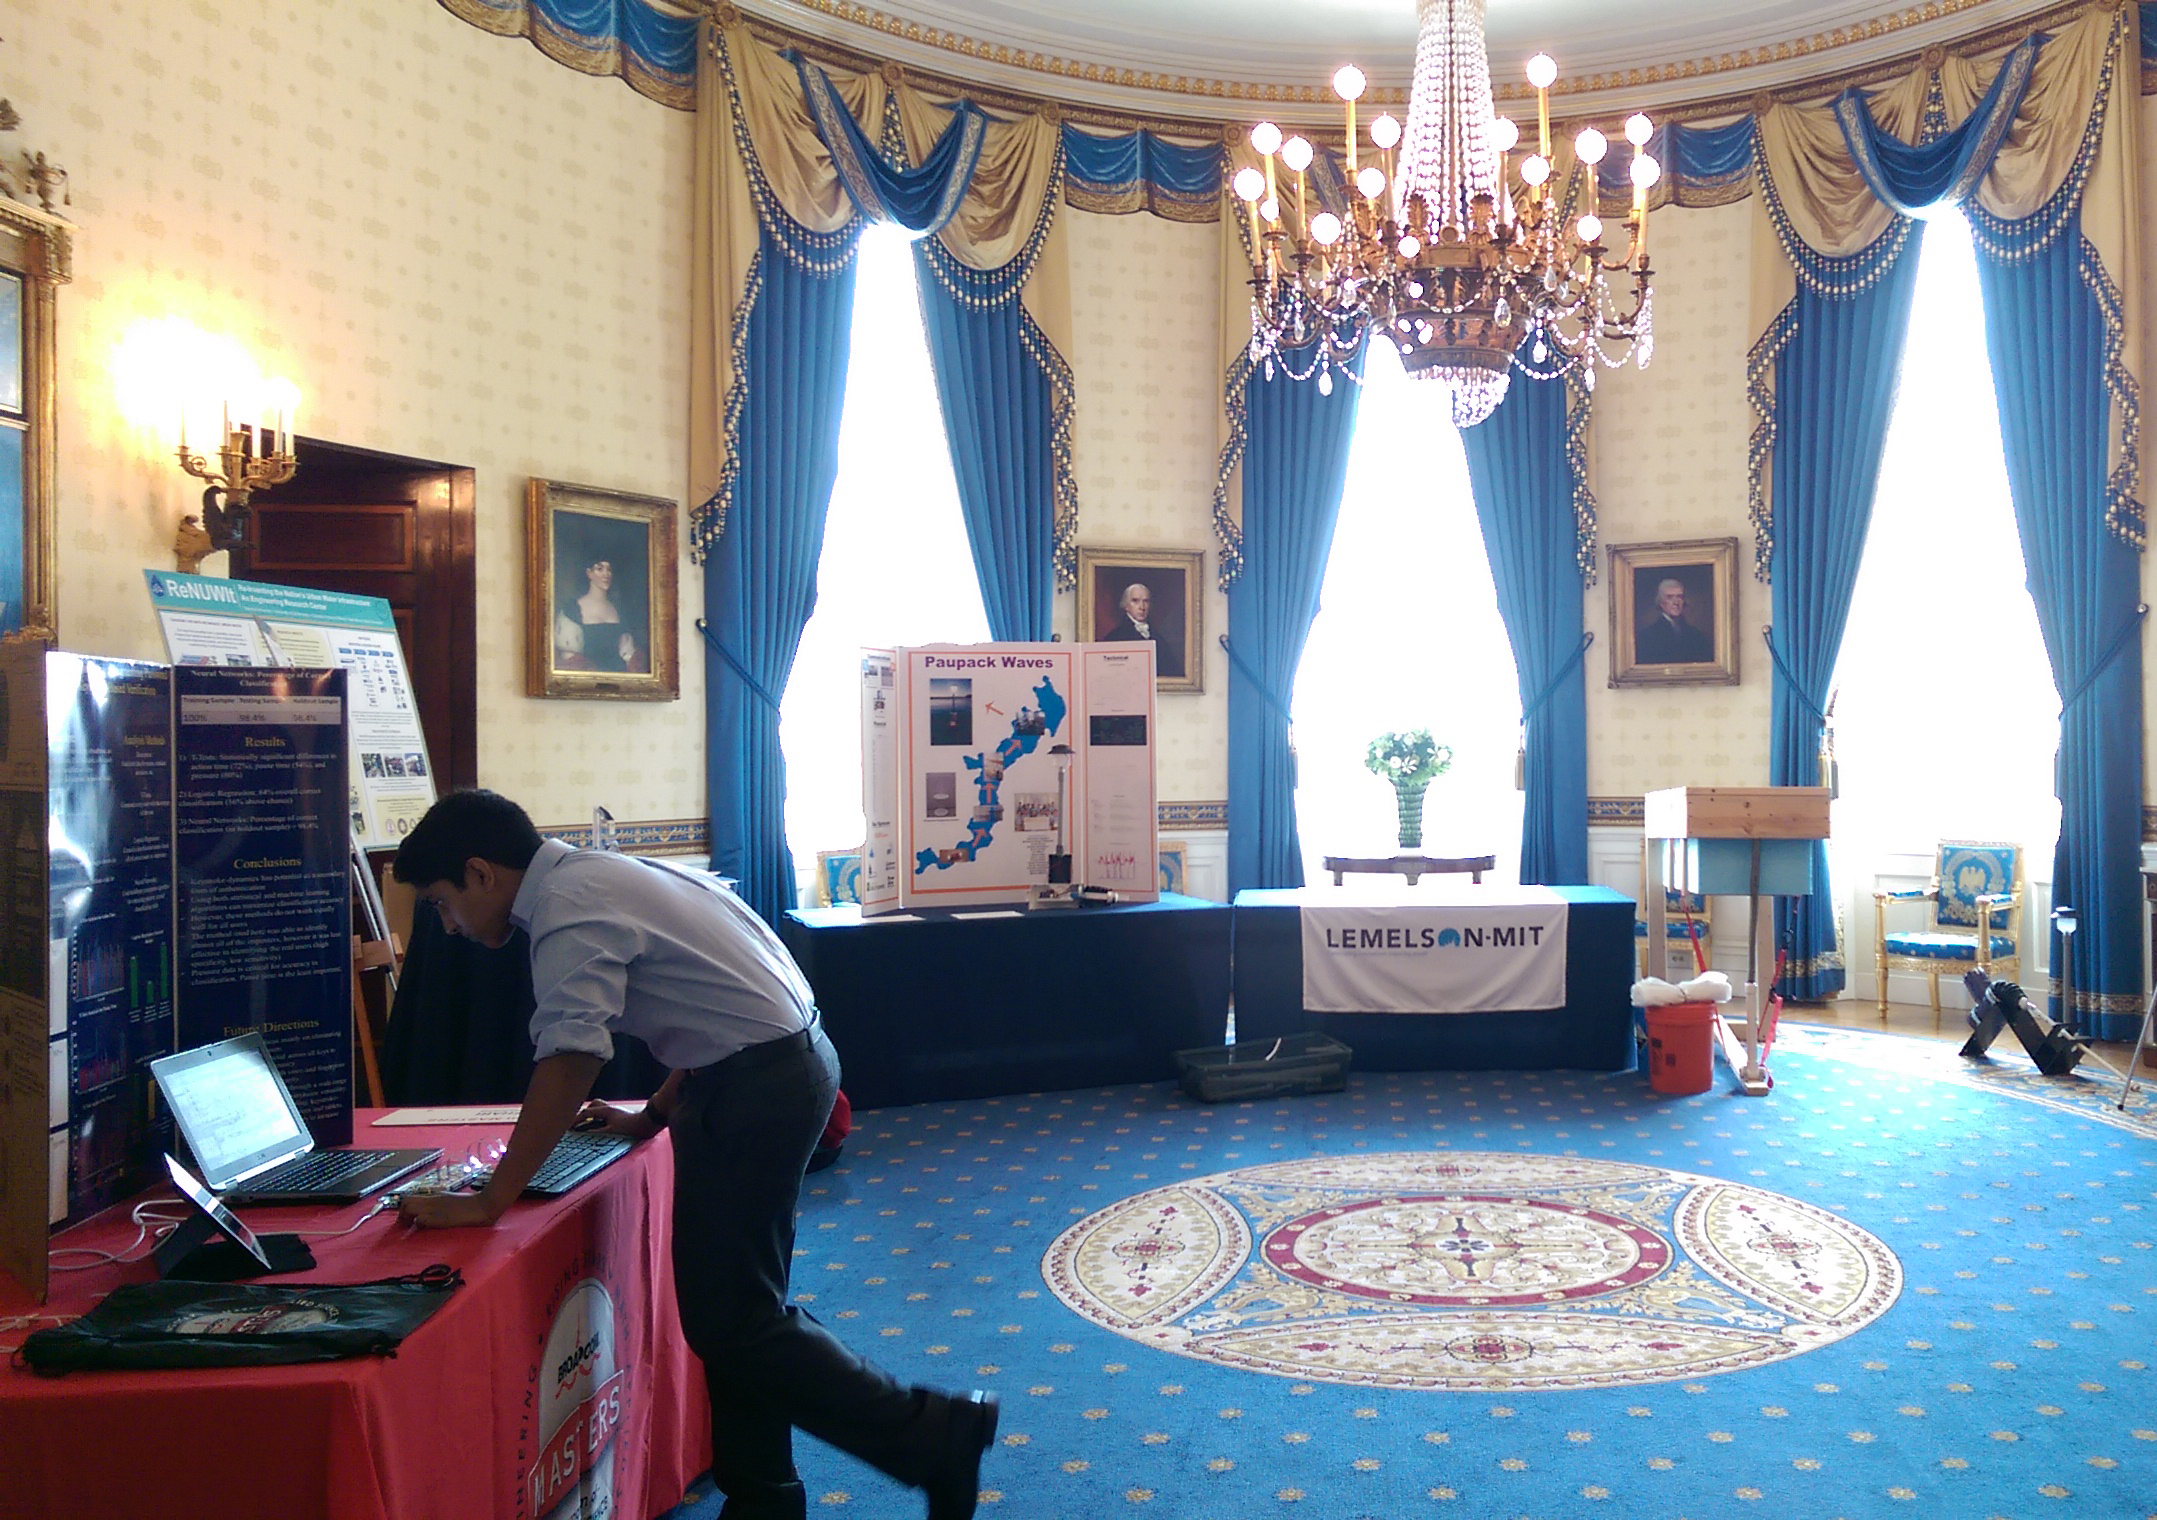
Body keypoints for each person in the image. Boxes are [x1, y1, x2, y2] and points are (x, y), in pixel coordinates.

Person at [392, 790, 997, 1520]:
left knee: (731, 1320)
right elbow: (716, 1000)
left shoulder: (566, 907)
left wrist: (492, 1197)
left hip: (758, 1086)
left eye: (440, 904)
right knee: (740, 1312)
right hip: (775, 1065)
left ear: (481, 872)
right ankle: (764, 1496)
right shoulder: (605, 874)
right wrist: (649, 1116)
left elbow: (571, 1056)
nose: (448, 927)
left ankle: (931, 1433)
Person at [556, 557, 646, 673]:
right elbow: (569, 658)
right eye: (600, 569)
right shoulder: (573, 609)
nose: (606, 574)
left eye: (609, 570)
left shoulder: (618, 608)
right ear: (589, 573)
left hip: (619, 677)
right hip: (586, 679)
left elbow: (627, 652)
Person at [1100, 580, 1182, 677]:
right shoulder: (1115, 637)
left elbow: (1172, 670)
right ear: (1126, 605)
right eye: (1135, 601)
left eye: (1145, 601)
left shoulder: (1159, 638)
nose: (1142, 607)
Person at [1635, 577, 1714, 664]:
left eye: (1679, 597)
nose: (1676, 602)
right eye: (1669, 597)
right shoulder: (1647, 636)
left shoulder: (1696, 635)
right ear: (1660, 602)